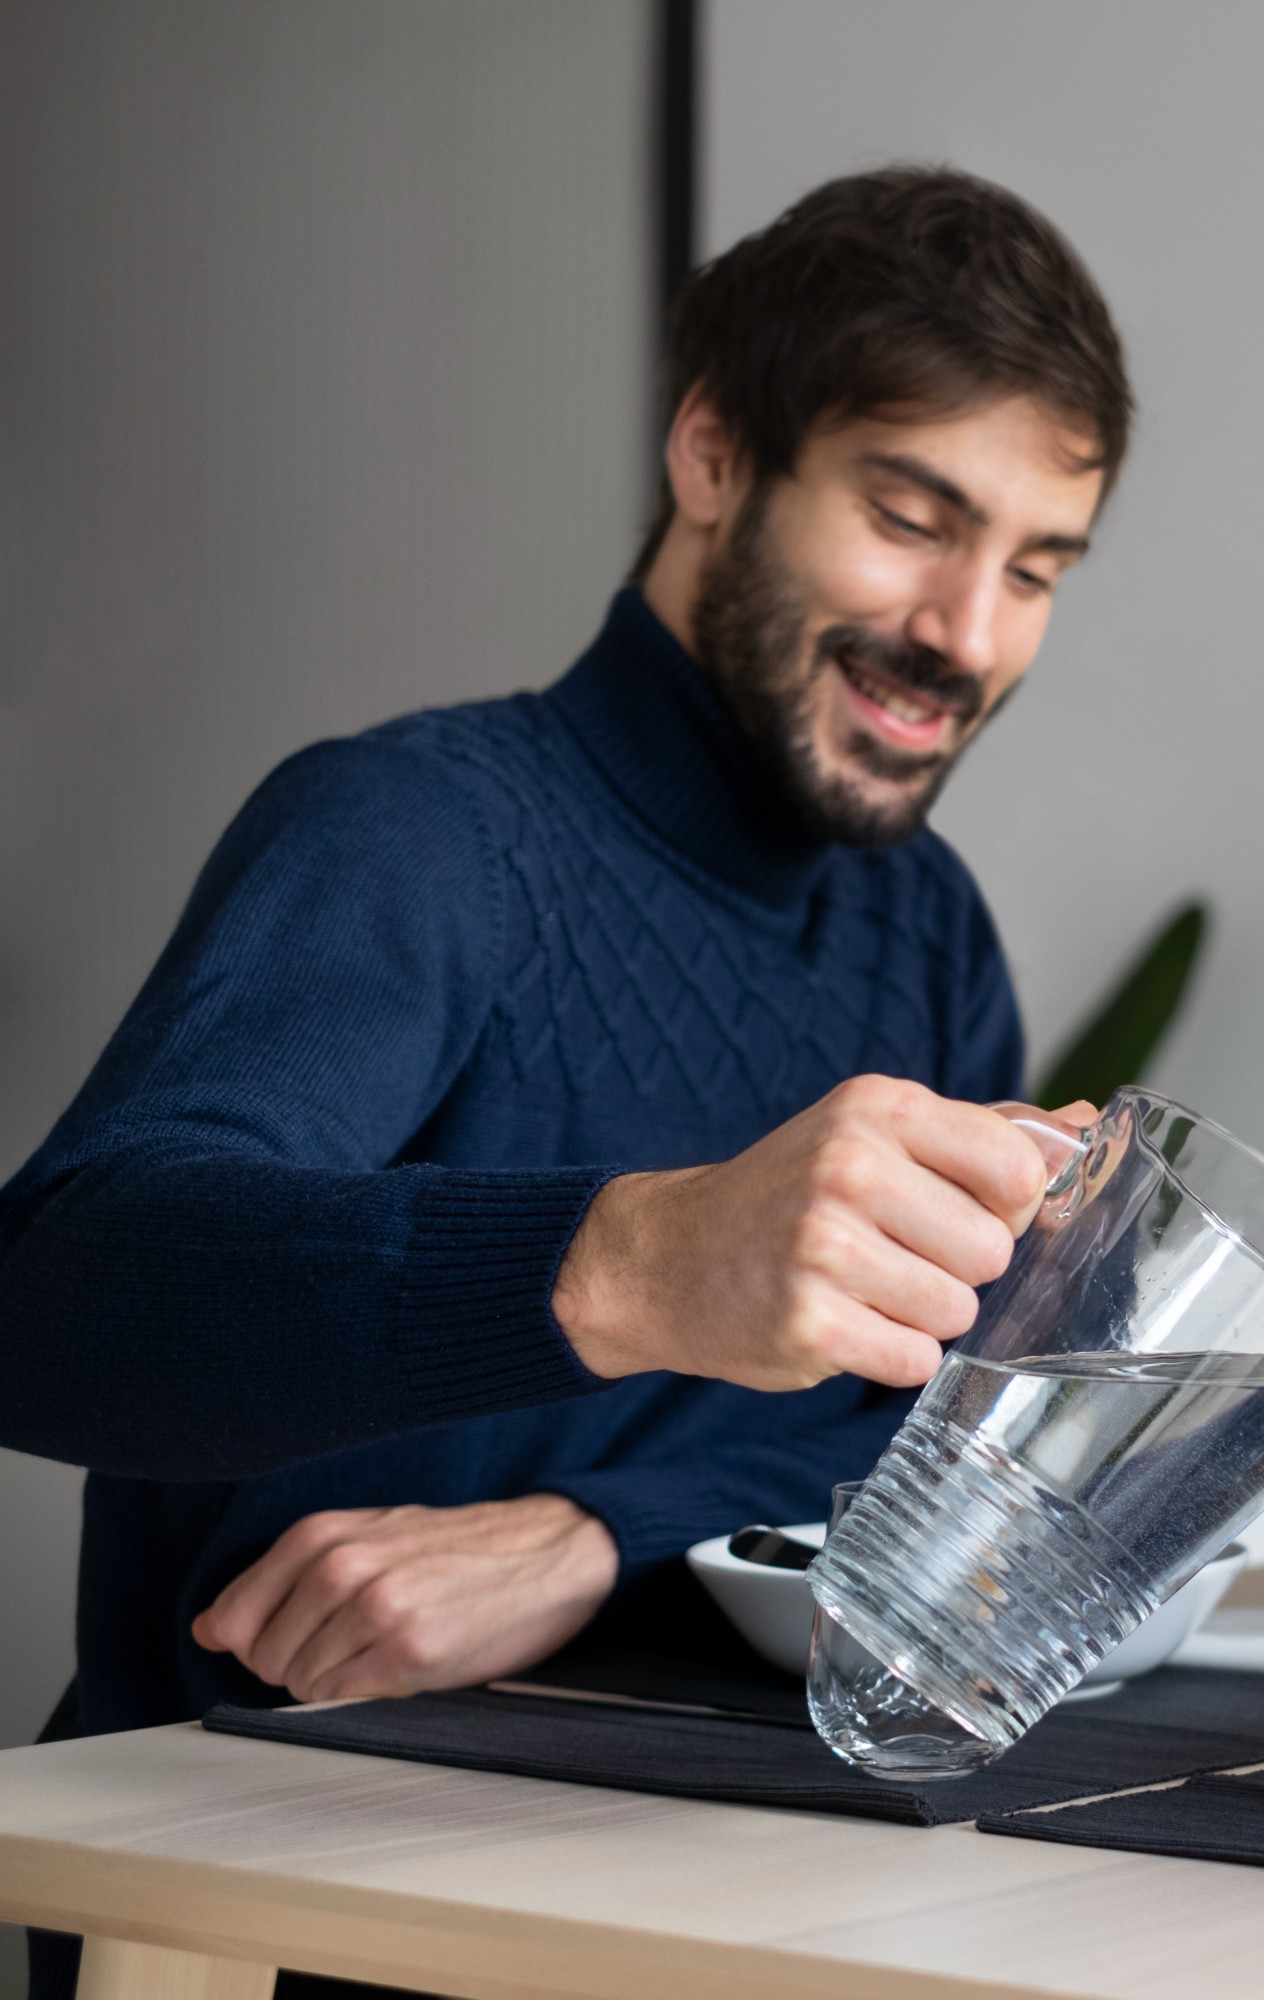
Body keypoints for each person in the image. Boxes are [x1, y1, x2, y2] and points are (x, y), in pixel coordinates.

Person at [0, 167, 1128, 1757]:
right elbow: (49, 1306)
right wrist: (633, 1263)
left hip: (684, 1829)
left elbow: (952, 1442)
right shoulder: (410, 832)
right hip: (255, 1829)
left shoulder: (926, 926)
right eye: (909, 521)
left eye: (1034, 571)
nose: (969, 633)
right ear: (714, 453)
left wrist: (599, 1541)